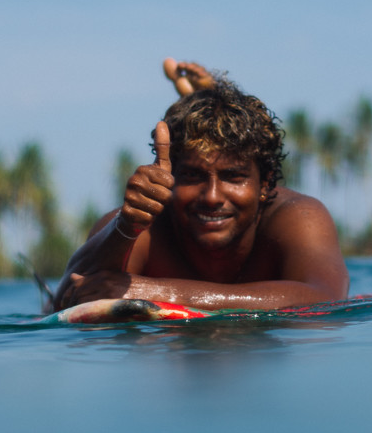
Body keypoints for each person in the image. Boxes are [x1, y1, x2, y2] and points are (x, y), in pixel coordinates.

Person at [52, 59, 349, 312]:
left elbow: (326, 298)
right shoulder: (142, 224)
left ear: (265, 183)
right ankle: (206, 102)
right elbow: (65, 301)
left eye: (234, 177)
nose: (212, 197)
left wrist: (156, 293)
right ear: (171, 179)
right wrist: (125, 228)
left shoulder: (297, 217)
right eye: (192, 176)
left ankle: (209, 99)